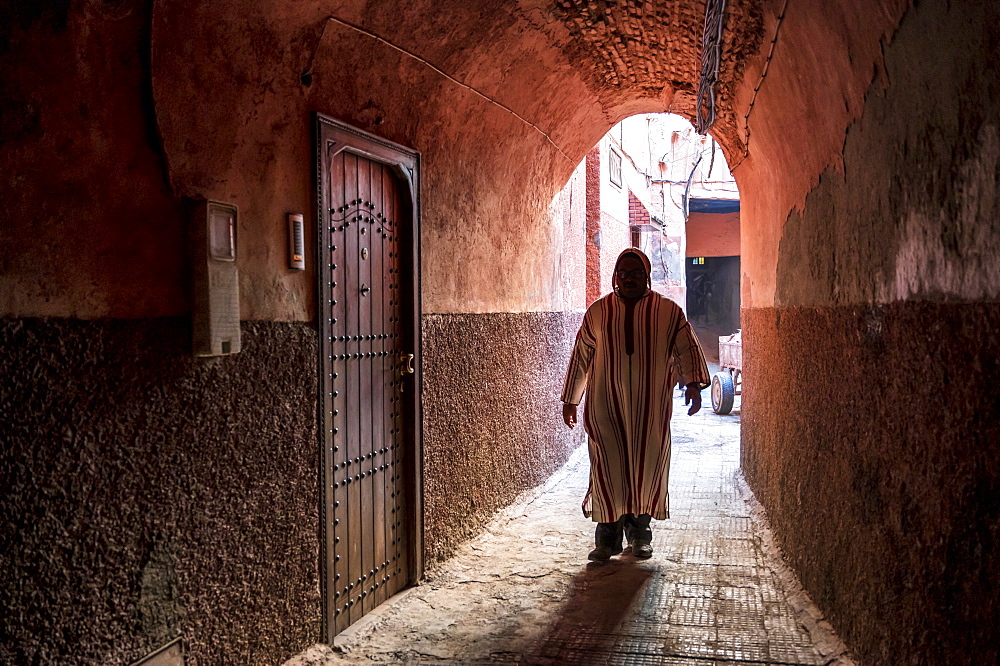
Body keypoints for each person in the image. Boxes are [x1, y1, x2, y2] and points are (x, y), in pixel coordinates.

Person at [561, 248, 710, 561]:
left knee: (646, 468)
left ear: (647, 276)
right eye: (623, 273)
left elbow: (686, 348)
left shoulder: (668, 312)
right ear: (616, 276)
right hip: (606, 408)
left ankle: (640, 535)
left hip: (650, 411)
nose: (629, 278)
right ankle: (607, 540)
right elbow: (581, 356)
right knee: (607, 469)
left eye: (636, 273)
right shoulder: (598, 312)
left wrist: (694, 385)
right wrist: (571, 400)